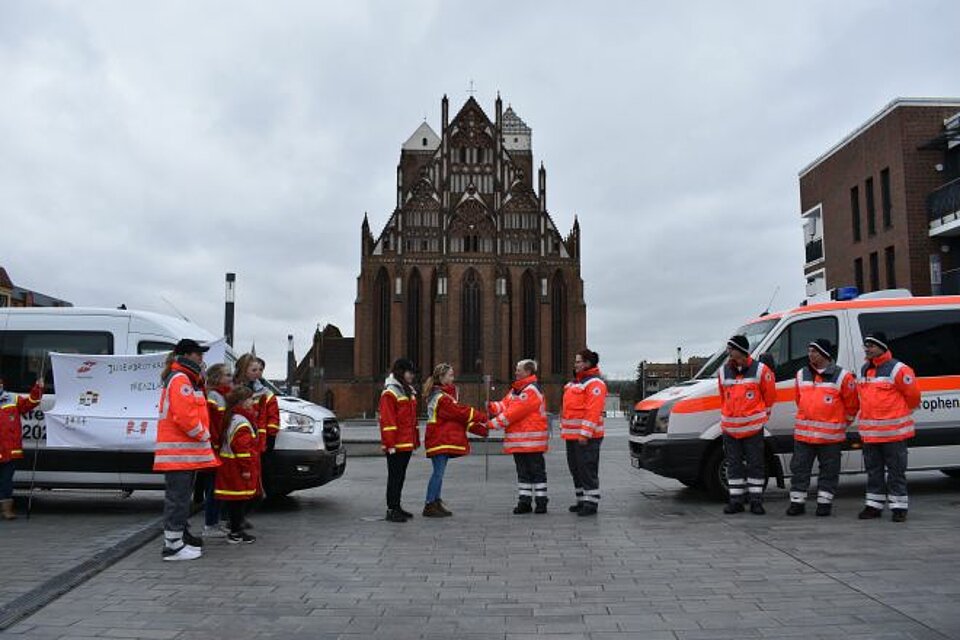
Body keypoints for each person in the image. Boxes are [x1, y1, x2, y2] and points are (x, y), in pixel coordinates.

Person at [153, 339, 219, 561]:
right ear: (186, 356)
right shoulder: (182, 379)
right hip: (178, 453)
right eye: (197, 354)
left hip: (181, 453)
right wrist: (203, 434)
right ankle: (173, 546)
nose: (201, 358)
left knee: (180, 498)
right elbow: (185, 416)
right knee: (178, 499)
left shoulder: (186, 378)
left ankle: (178, 539)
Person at [787, 339, 859, 517]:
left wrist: (841, 423)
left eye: (815, 351)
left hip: (830, 438)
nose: (810, 354)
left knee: (829, 471)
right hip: (804, 436)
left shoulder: (843, 376)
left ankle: (824, 503)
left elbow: (852, 405)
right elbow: (799, 400)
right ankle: (797, 502)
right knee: (799, 469)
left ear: (825, 354)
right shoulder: (801, 374)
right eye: (809, 351)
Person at [857, 332, 921, 522]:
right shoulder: (864, 369)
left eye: (871, 346)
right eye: (866, 346)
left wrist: (899, 413)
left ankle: (899, 508)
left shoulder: (899, 369)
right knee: (873, 472)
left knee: (896, 472)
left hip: (893, 434)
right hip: (871, 435)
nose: (867, 349)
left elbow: (913, 397)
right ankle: (874, 506)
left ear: (882, 348)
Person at [718, 334, 776, 515]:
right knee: (734, 465)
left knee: (755, 464)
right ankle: (735, 501)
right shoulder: (723, 371)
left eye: (731, 349)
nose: (728, 352)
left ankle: (756, 501)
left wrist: (760, 418)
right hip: (730, 430)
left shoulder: (761, 370)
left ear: (741, 351)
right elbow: (723, 397)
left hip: (753, 429)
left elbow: (770, 396)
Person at [421, 363, 487, 517]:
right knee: (438, 472)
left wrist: (484, 430)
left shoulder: (445, 395)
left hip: (440, 438)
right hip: (439, 439)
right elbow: (460, 413)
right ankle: (430, 503)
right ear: (441, 377)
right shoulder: (441, 398)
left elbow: (460, 420)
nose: (453, 377)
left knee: (439, 472)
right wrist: (484, 417)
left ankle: (435, 501)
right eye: (450, 375)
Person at [488, 359, 550, 514]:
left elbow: (514, 413)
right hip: (520, 441)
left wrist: (491, 424)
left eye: (518, 370)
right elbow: (504, 405)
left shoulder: (530, 391)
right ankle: (525, 501)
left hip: (532, 441)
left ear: (528, 372)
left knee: (536, 471)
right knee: (523, 472)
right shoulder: (517, 390)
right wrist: (490, 406)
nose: (515, 372)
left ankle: (541, 502)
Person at [560, 349, 608, 517]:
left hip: (587, 437)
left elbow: (592, 411)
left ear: (587, 363)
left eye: (578, 361)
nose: (575, 364)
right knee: (576, 469)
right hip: (572, 436)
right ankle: (581, 500)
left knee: (587, 469)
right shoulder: (575, 383)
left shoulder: (595, 384)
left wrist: (585, 434)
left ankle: (591, 502)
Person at [215, 386, 260, 544]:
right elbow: (242, 449)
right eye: (250, 399)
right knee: (238, 502)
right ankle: (236, 532)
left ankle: (235, 530)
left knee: (235, 501)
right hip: (236, 468)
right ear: (242, 402)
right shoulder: (242, 422)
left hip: (230, 466)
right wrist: (246, 470)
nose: (253, 402)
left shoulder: (233, 417)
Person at [379, 358, 420, 523]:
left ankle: (397, 506)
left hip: (405, 444)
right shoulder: (390, 392)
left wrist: (414, 441)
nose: (412, 376)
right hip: (396, 445)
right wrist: (390, 445)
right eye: (410, 372)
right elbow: (388, 421)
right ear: (401, 372)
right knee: (394, 477)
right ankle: (391, 509)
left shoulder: (406, 391)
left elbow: (411, 420)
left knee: (400, 476)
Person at [0, 376, 43, 520]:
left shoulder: (12, 398)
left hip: (9, 452)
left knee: (6, 482)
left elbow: (31, 403)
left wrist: (38, 387)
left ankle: (7, 511)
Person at [200, 363, 233, 537]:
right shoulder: (214, 396)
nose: (230, 378)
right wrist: (217, 446)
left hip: (218, 449)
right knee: (212, 488)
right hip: (214, 450)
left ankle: (215, 522)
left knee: (217, 487)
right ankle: (210, 524)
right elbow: (213, 425)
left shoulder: (222, 395)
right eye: (227, 375)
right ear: (216, 378)